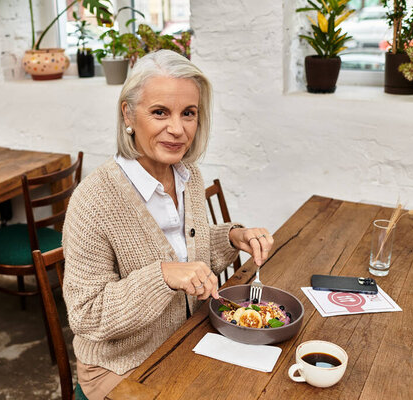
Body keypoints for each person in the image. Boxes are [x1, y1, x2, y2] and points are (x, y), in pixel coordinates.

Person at [62, 50, 274, 400]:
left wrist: (233, 237)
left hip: (186, 336)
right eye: (160, 112)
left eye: (188, 113)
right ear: (128, 114)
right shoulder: (93, 200)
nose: (177, 129)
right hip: (120, 366)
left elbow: (186, 252)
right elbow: (86, 315)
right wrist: (162, 276)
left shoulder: (188, 176)